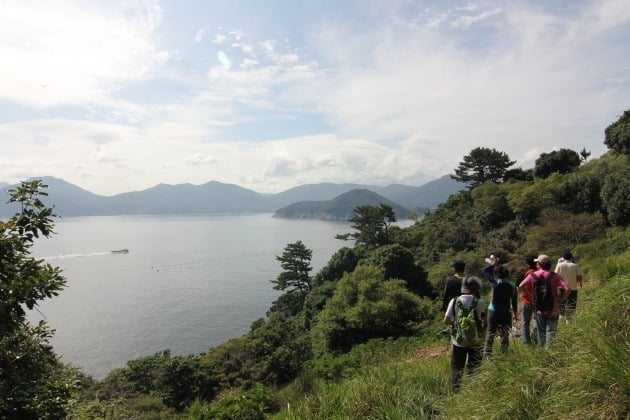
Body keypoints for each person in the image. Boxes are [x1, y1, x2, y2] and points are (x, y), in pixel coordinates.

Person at [444, 276, 486, 392]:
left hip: (459, 340)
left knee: (457, 367)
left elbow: (446, 320)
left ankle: (456, 391)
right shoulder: (480, 302)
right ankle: (473, 391)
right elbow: (483, 320)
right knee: (475, 366)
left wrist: (456, 324)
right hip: (476, 340)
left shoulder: (454, 301)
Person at [518, 254, 570, 349]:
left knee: (541, 331)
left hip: (539, 308)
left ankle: (542, 352)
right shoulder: (555, 276)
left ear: (539, 264)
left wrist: (530, 295)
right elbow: (567, 288)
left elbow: (520, 286)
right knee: (551, 331)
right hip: (553, 307)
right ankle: (550, 351)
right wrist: (561, 299)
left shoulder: (532, 276)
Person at [481, 259, 517, 357]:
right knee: (504, 334)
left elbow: (484, 270)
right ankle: (503, 354)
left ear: (496, 275)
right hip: (506, 312)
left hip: (493, 311)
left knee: (490, 332)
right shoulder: (512, 286)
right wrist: (515, 313)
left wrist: (493, 265)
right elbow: (514, 301)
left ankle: (487, 354)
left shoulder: (495, 283)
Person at [554, 251, 583, 321]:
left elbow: (555, 275)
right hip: (572, 287)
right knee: (571, 303)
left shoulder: (559, 265)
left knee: (561, 302)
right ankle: (569, 319)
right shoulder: (575, 265)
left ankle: (561, 317)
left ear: (563, 258)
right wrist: (580, 283)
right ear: (571, 257)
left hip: (561, 287)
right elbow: (579, 276)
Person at [518, 254, 538, 345]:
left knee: (525, 322)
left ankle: (526, 342)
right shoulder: (540, 272)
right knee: (537, 319)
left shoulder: (524, 273)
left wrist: (526, 294)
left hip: (526, 300)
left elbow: (518, 286)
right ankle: (535, 334)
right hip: (538, 300)